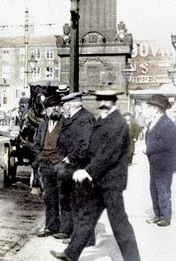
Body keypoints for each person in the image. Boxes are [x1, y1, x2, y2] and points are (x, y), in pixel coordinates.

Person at [51, 88, 140, 261]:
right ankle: (71, 253)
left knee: (120, 225)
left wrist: (88, 171)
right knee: (87, 217)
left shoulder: (118, 123)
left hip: (111, 183)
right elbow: (94, 148)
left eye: (107, 100)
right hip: (100, 182)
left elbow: (109, 154)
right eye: (101, 100)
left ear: (114, 101)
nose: (103, 104)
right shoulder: (104, 120)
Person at [56, 92, 96, 246]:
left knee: (82, 203)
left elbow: (85, 145)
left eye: (64, 105)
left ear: (70, 105)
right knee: (75, 201)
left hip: (81, 167)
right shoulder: (76, 118)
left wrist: (71, 157)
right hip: (74, 167)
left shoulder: (84, 119)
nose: (63, 108)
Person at [33, 94, 66, 238]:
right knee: (49, 197)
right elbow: (36, 143)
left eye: (57, 106)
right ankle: (50, 226)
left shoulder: (65, 124)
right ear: (45, 110)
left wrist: (63, 159)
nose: (54, 109)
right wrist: (39, 157)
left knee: (63, 196)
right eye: (51, 107)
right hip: (45, 164)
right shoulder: (43, 125)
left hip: (59, 165)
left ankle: (64, 229)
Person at [142, 94, 176, 227]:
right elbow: (149, 137)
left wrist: (148, 148)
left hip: (164, 164)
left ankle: (165, 218)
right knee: (154, 189)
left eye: (151, 105)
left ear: (157, 108)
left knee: (163, 190)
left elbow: (166, 143)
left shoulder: (168, 124)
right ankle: (157, 215)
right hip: (154, 163)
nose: (149, 107)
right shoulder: (153, 121)